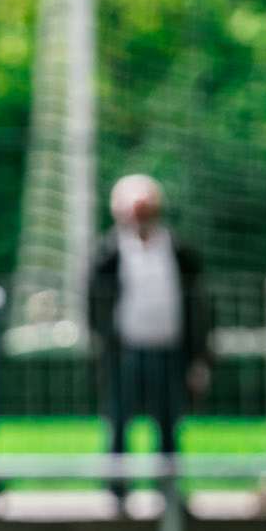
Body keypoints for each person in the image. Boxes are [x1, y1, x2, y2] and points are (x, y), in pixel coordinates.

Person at [88, 174, 211, 473]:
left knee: (170, 423)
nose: (140, 219)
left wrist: (200, 356)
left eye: (146, 211)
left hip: (170, 351)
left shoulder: (181, 252)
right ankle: (116, 494)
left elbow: (201, 306)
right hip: (124, 352)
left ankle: (168, 494)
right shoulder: (108, 254)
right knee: (117, 422)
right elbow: (93, 305)